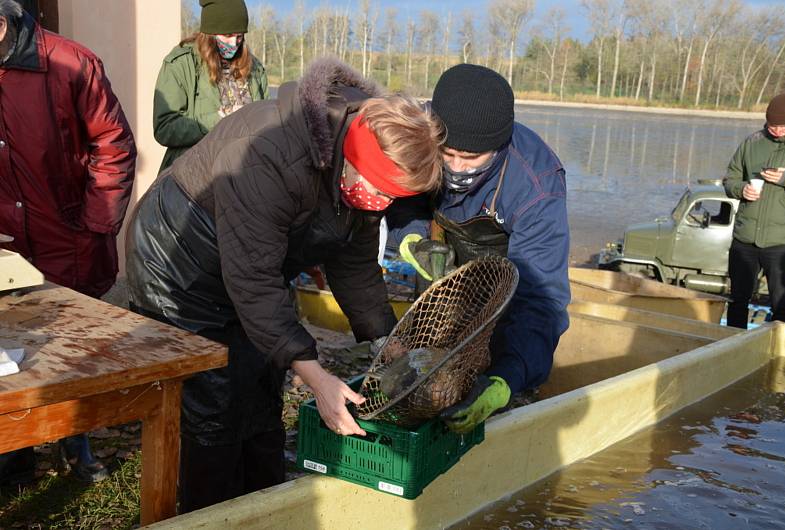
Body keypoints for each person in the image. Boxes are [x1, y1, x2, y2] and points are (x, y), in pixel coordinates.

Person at [126, 58, 444, 512]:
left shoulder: (360, 173)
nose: (384, 204)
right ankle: (210, 513)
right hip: (178, 256)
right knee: (214, 398)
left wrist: (386, 345)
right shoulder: (267, 151)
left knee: (261, 380)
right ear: (354, 156)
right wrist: (316, 377)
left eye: (394, 197)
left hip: (247, 257)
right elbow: (253, 282)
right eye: (380, 191)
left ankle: (265, 507)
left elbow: (354, 265)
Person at [390, 63, 571, 434]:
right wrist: (412, 242)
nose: (457, 168)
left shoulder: (536, 187)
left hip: (507, 281)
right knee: (425, 365)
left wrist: (505, 381)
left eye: (471, 159)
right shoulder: (420, 133)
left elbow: (542, 299)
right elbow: (398, 197)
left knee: (503, 364)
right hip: (441, 259)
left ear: (499, 147)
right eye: (448, 153)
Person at [0, 0, 136, 482]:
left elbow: (113, 145)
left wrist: (93, 226)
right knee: (13, 350)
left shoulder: (72, 63)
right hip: (6, 243)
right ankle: (15, 456)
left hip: (66, 234)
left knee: (70, 352)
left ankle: (75, 444)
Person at [153, 0, 267, 172]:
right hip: (193, 178)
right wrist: (220, 119)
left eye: (239, 36)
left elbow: (266, 122)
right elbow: (164, 128)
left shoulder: (255, 69)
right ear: (209, 32)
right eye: (227, 35)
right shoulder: (182, 64)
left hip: (245, 177)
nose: (234, 44)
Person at [722, 93, 785, 328]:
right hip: (745, 238)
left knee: (781, 303)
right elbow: (730, 179)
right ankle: (731, 347)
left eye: (783, 126)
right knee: (737, 300)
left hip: (783, 240)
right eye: (772, 125)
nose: (776, 130)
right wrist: (741, 189)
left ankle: (779, 353)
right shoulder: (752, 142)